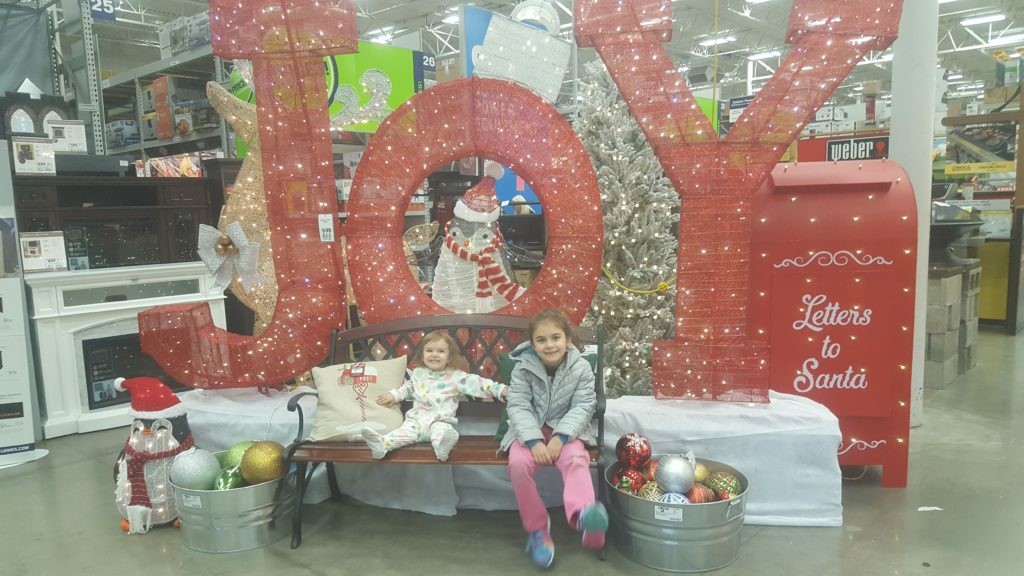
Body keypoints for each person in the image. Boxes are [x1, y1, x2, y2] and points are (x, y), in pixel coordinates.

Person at [498, 308, 607, 568]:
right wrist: (534, 441)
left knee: (575, 460)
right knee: (518, 465)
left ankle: (584, 516)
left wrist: (561, 437)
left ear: (567, 339)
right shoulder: (523, 368)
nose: (549, 345)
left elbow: (584, 405)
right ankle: (538, 530)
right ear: (533, 344)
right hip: (529, 432)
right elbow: (518, 406)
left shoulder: (581, 368)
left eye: (555, 338)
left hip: (567, 432)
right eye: (541, 340)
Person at [362, 330, 508, 462]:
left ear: (449, 357)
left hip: (439, 421)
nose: (434, 354)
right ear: (423, 355)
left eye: (441, 351)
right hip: (416, 422)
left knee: (442, 433)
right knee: (401, 433)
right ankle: (382, 445)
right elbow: (409, 388)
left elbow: (477, 383)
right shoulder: (418, 373)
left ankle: (441, 450)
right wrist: (394, 395)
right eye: (429, 350)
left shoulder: (455, 376)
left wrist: (498, 389)